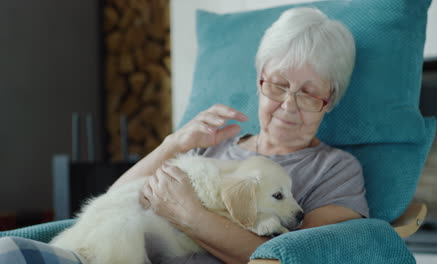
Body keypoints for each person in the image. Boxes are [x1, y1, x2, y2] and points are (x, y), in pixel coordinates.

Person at [0, 7, 368, 264]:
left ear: (329, 101)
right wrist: (175, 144)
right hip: (107, 251)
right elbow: (113, 203)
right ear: (259, 83)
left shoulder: (335, 170)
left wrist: (188, 213)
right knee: (9, 251)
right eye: (278, 85)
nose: (288, 106)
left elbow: (295, 259)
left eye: (307, 92)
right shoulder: (218, 146)